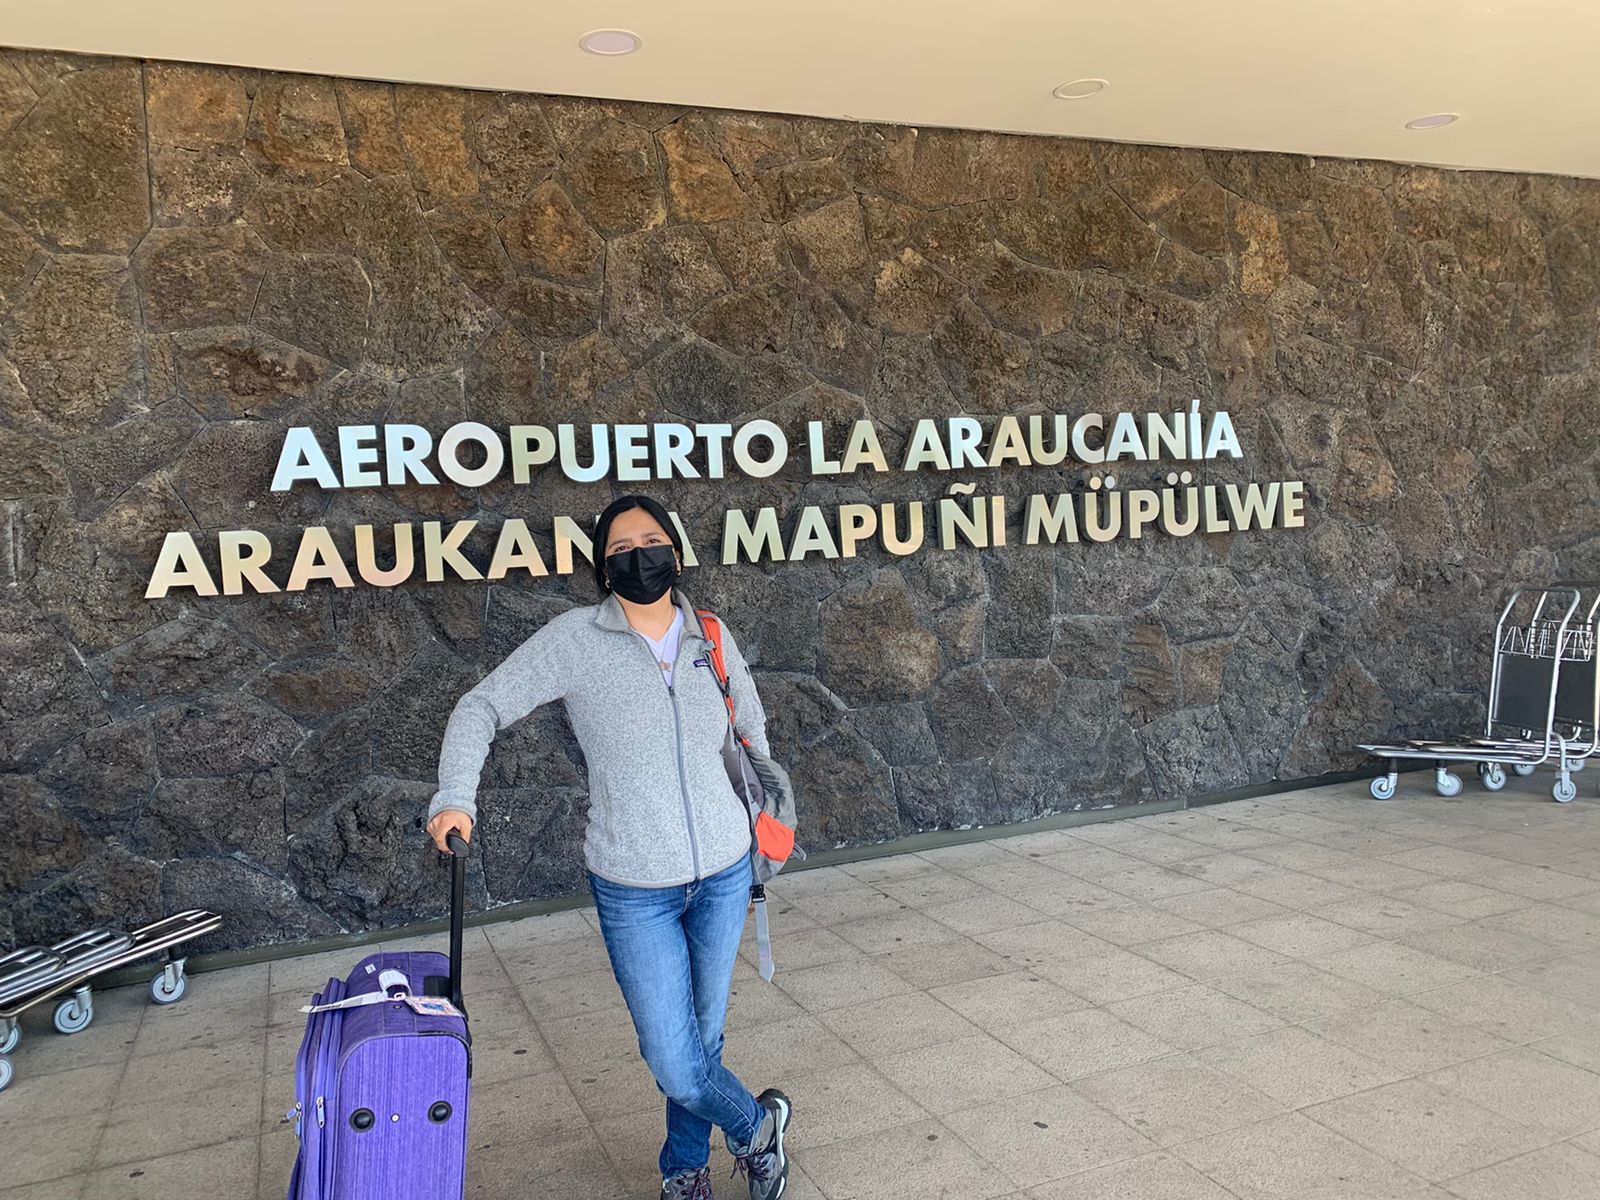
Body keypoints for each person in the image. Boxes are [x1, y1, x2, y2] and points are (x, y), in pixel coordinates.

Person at [425, 494, 793, 1200]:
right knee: (675, 1060)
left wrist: (752, 816)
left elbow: (751, 729)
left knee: (703, 1044)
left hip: (723, 873)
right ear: (602, 568)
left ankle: (684, 1171)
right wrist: (454, 797)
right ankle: (757, 1127)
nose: (638, 556)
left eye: (651, 541)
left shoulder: (711, 636)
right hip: (633, 886)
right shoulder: (575, 640)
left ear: (675, 554)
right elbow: (481, 706)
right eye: (621, 548)